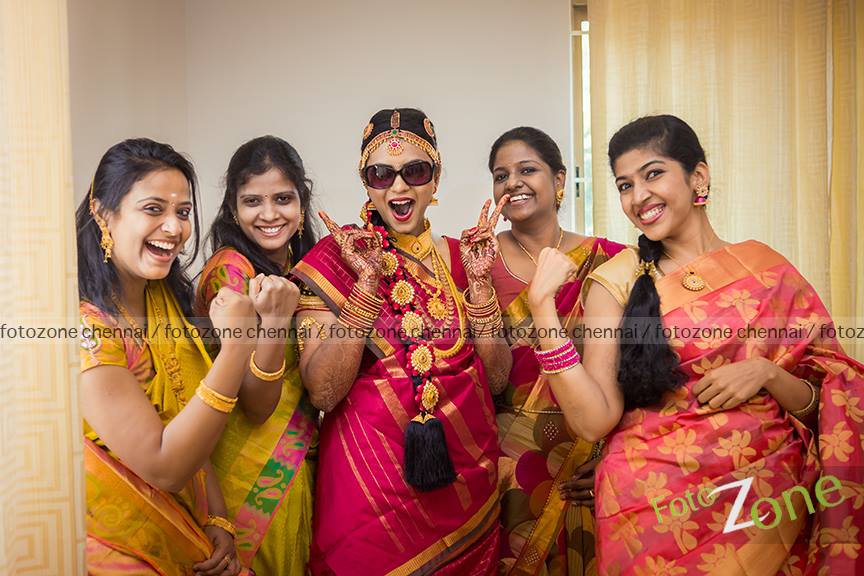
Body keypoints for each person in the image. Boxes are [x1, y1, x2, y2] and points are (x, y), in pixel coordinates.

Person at [523, 114, 864, 574]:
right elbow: (592, 421)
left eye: (653, 174)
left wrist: (767, 373)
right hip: (651, 513)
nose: (638, 196)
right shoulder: (618, 280)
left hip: (769, 504)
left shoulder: (764, 268)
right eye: (624, 185)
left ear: (698, 177)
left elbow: (829, 405)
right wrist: (542, 307)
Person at [292, 108, 512, 575]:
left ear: (435, 180)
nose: (398, 188)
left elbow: (496, 381)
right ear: (365, 182)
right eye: (381, 174)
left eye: (415, 171)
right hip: (369, 494)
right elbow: (324, 391)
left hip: (464, 487)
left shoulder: (463, 258)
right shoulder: (337, 259)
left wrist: (478, 287)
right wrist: (367, 286)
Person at [77, 138, 257, 575]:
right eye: (153, 209)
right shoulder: (87, 328)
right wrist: (237, 347)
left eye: (182, 212)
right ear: (104, 213)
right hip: (123, 548)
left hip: (191, 534)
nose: (174, 228)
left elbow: (188, 413)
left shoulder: (165, 298)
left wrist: (217, 519)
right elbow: (165, 466)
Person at [488, 127, 625, 575]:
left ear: (560, 181)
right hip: (502, 469)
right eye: (500, 174)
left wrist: (610, 456)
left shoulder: (612, 262)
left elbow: (636, 372)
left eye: (527, 170)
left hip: (587, 458)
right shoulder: (470, 262)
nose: (513, 183)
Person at [196, 135, 319, 574]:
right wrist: (276, 321)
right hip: (247, 476)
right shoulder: (231, 273)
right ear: (232, 207)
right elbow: (256, 403)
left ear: (302, 201)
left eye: (283, 198)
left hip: (295, 464)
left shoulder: (300, 269)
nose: (269, 215)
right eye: (253, 201)